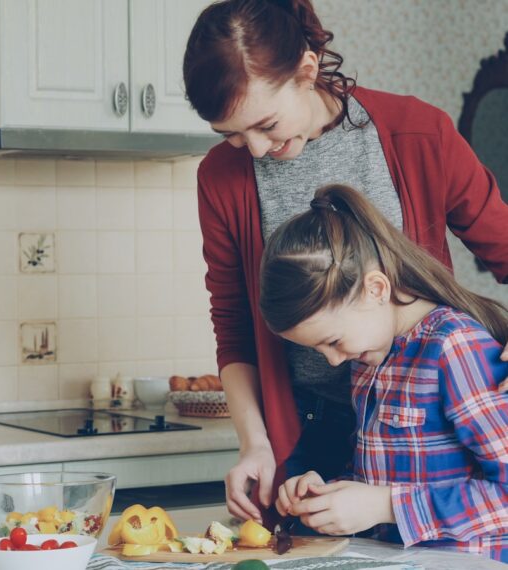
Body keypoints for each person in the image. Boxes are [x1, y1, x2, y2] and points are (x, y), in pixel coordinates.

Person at [182, 0, 508, 526]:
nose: (257, 149)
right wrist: (256, 445)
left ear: (307, 71)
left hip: (427, 424)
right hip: (311, 426)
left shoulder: (416, 132)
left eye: (265, 125)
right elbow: (234, 325)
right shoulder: (221, 177)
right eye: (235, 135)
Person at [260, 184, 507, 562]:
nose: (333, 361)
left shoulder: (454, 347)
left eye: (333, 341)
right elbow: (385, 478)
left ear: (375, 289)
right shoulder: (370, 359)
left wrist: (387, 507)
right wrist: (329, 494)